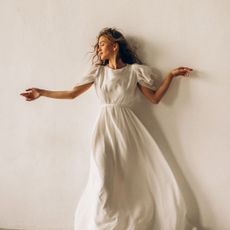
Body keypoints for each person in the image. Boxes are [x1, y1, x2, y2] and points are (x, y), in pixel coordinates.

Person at [21, 27, 196, 230]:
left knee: (127, 180)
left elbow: (155, 99)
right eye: (98, 46)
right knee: (103, 179)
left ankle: (130, 222)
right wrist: (41, 92)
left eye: (102, 44)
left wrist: (171, 76)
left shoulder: (133, 72)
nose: (98, 49)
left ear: (115, 46)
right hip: (104, 128)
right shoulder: (98, 72)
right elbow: (71, 94)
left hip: (127, 129)